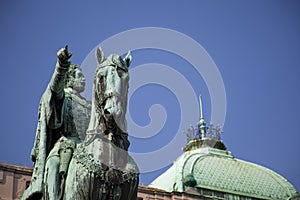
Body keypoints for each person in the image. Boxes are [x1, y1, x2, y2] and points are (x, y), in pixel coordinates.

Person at [21, 45, 91, 200]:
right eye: (80, 76)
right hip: (64, 144)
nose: (84, 79)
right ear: (70, 79)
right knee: (53, 166)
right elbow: (54, 89)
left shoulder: (89, 105)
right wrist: (62, 65)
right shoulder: (64, 97)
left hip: (87, 148)